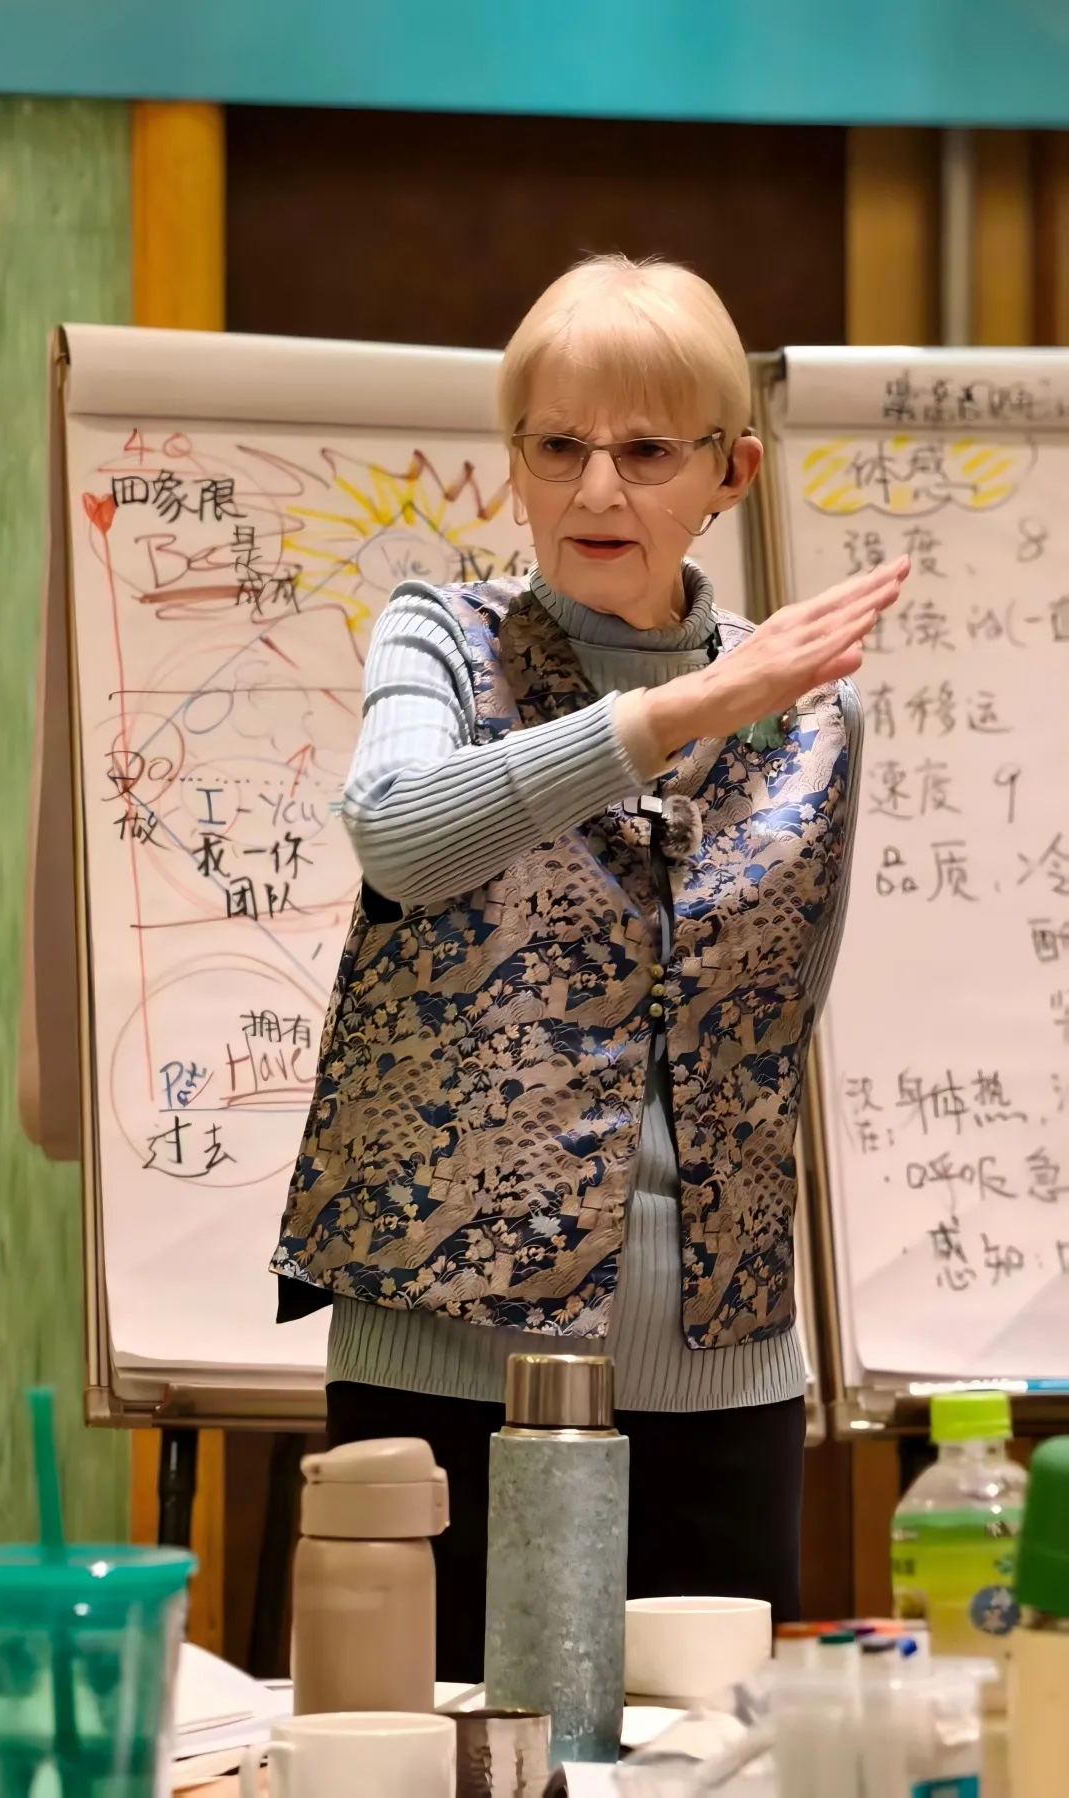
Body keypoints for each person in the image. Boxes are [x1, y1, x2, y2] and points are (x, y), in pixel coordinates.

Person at [273, 254, 907, 1678]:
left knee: (706, 1750)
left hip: (721, 1369)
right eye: (556, 446)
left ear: (732, 471)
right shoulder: (444, 637)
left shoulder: (817, 713)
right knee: (438, 1743)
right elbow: (400, 837)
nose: (594, 488)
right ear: (514, 461)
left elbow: (777, 1015)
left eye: (646, 451)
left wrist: (732, 697)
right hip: (442, 1352)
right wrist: (677, 711)